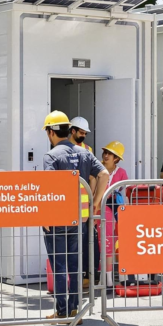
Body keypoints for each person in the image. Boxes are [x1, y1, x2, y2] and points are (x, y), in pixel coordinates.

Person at [41, 111, 108, 322]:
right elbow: (104, 174)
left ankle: (62, 312)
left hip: (59, 219)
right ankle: (75, 311)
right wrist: (95, 203)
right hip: (81, 218)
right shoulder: (85, 153)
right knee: (76, 266)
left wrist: (47, 216)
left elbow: (51, 186)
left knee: (59, 265)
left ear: (51, 132)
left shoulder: (51, 156)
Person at [69, 117, 100, 284]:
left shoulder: (88, 149)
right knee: (74, 242)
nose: (84, 136)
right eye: (81, 132)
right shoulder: (63, 149)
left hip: (84, 204)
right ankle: (76, 276)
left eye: (85, 133)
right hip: (69, 203)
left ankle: (89, 275)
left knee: (88, 239)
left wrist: (92, 198)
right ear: (72, 131)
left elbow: (93, 176)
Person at [99, 141, 128, 291]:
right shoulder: (97, 168)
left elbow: (123, 188)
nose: (105, 155)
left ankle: (121, 277)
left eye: (109, 153)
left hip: (116, 208)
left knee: (118, 241)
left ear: (116, 158)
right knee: (105, 242)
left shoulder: (121, 172)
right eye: (105, 152)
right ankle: (107, 279)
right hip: (101, 208)